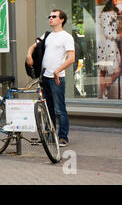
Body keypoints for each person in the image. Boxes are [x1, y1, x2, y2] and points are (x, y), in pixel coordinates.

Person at [26, 9, 75, 147]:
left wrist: (58, 70)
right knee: (48, 109)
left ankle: (63, 137)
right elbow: (33, 46)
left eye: (54, 16)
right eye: (49, 16)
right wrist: (29, 55)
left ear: (62, 20)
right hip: (44, 77)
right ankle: (49, 136)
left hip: (57, 78)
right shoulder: (47, 35)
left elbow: (71, 58)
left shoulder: (66, 37)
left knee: (60, 109)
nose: (50, 18)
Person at [97, 0, 121, 99]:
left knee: (104, 71)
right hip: (109, 44)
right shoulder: (109, 13)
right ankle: (105, 91)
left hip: (105, 44)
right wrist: (119, 36)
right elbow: (108, 32)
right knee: (114, 70)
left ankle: (104, 94)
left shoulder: (105, 12)